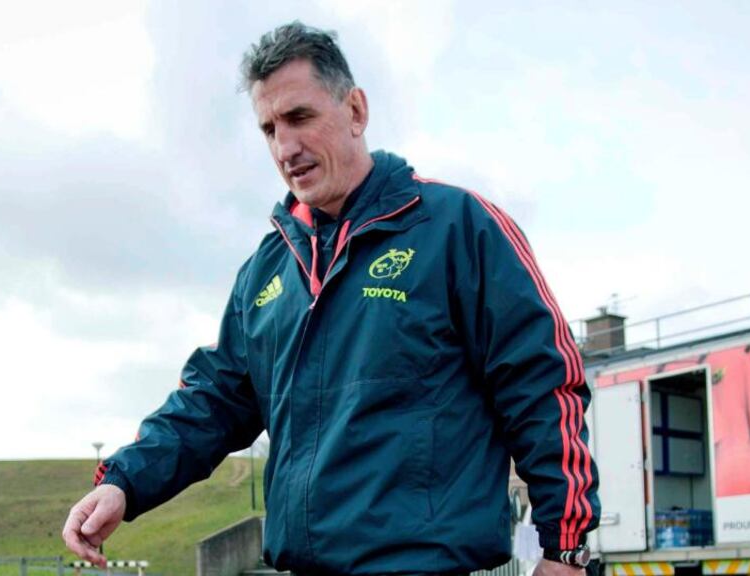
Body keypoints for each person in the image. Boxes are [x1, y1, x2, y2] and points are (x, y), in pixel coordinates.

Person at [63, 21, 600, 576]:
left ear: (356, 111)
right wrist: (124, 481)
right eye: (269, 128)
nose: (285, 147)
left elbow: (543, 386)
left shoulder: (459, 229)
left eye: (299, 118)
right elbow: (212, 400)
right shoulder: (267, 270)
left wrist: (566, 550)